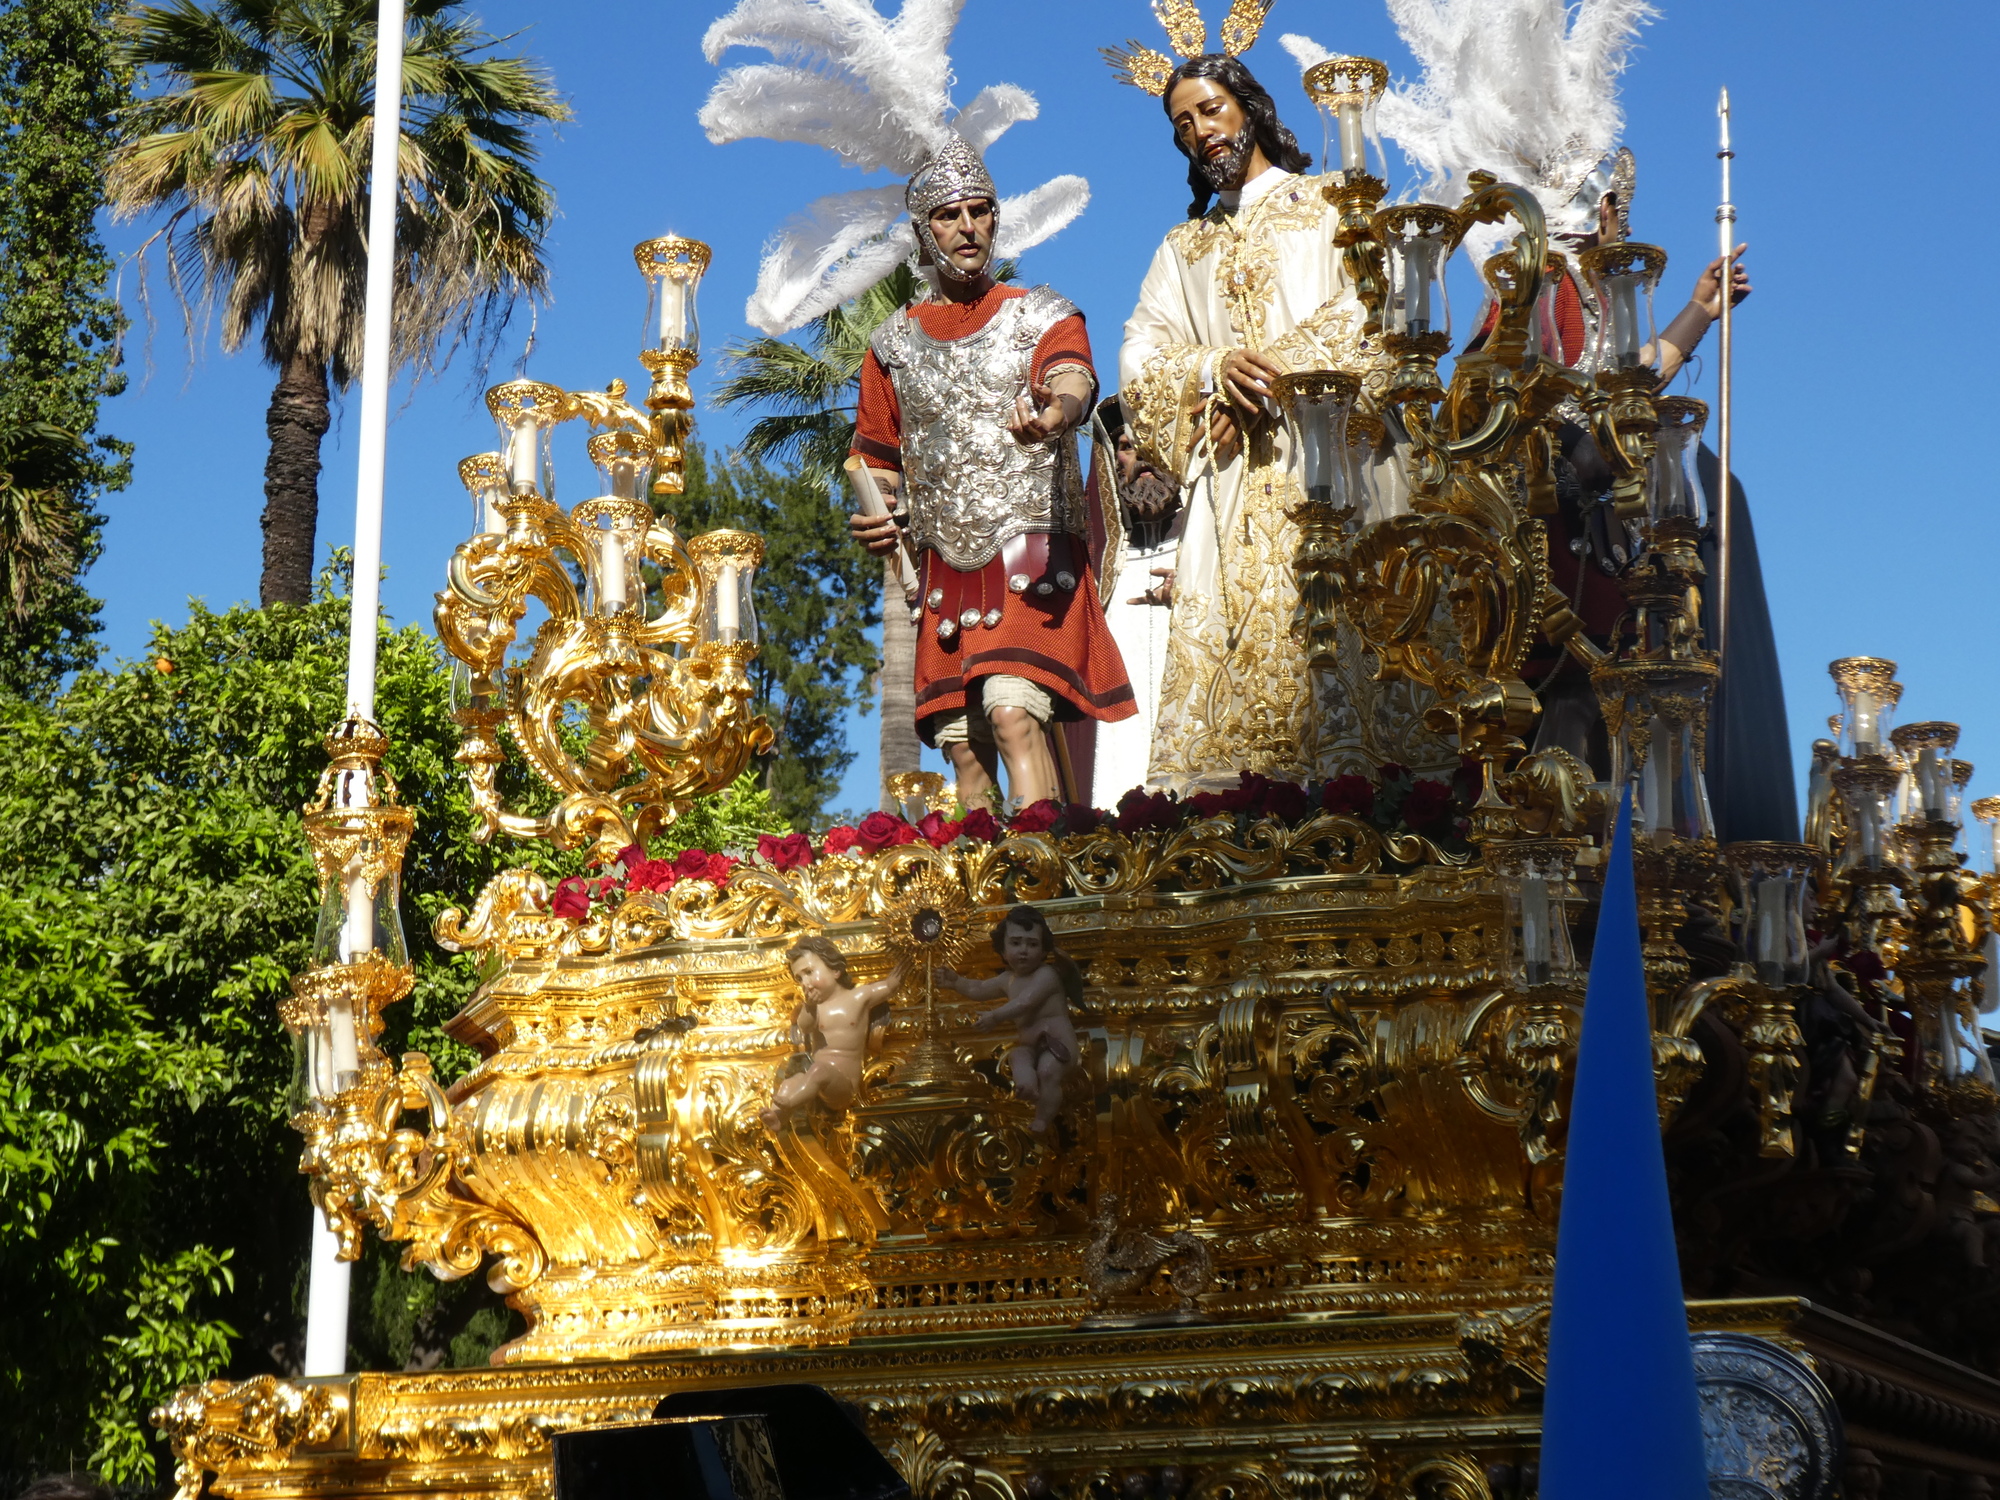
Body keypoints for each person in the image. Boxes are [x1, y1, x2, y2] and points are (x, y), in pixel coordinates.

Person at [1117, 50, 1452, 791]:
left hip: (1339, 462)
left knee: (1358, 646)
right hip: (1236, 490)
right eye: (1182, 124)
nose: (1200, 131)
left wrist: (1265, 379)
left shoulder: (1334, 204)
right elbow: (1141, 357)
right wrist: (1213, 373)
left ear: (1251, 108)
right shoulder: (1183, 248)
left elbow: (1375, 308)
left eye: (1210, 109)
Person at [849, 137, 1135, 811]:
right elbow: (877, 458)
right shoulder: (892, 345)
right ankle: (985, 878)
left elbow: (1072, 378)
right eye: (950, 215)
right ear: (924, 232)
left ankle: (1038, 864)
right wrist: (875, 512)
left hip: (1029, 557)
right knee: (967, 755)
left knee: (1012, 715)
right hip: (942, 570)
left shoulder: (1043, 313)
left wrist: (1056, 412)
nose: (968, 226)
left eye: (980, 211)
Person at [1089, 395, 1184, 799]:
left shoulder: (1211, 540)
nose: (1141, 455)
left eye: (1153, 441)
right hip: (1121, 760)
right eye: (1127, 446)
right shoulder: (1100, 565)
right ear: (1113, 463)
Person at [938, 904, 1083, 1137]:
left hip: (1059, 1045)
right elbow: (979, 988)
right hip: (1030, 1045)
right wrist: (956, 982)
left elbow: (1025, 1002)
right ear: (1003, 950)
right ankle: (1028, 1089)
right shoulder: (1008, 979)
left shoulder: (1046, 975)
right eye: (1015, 943)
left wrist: (995, 1016)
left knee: (1047, 1070)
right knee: (1017, 1056)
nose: (1023, 950)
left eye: (1032, 944)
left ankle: (1042, 1119)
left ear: (1044, 950)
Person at [762, 937, 901, 1127]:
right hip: (813, 1081)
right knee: (788, 1084)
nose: (805, 982)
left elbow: (890, 986)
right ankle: (778, 1117)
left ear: (835, 970)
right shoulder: (814, 1008)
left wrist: (907, 960)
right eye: (799, 979)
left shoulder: (858, 997)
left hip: (843, 1084)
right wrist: (810, 1006)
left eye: (809, 972)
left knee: (819, 1071)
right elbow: (805, 1026)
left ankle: (790, 1103)